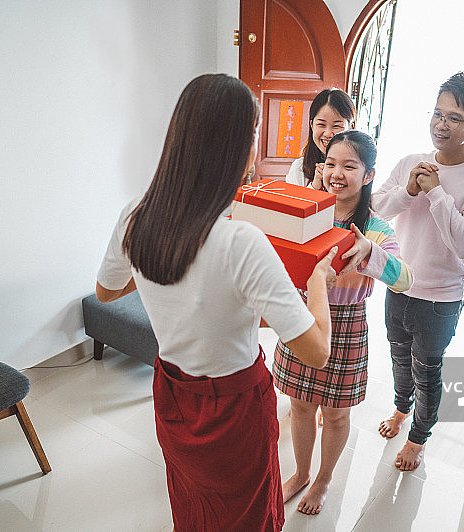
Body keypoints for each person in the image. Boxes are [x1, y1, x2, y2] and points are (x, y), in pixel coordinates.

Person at [96, 73, 338, 532]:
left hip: (171, 393)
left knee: (193, 506)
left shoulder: (136, 215)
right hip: (234, 408)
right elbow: (317, 351)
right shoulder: (240, 241)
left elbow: (108, 290)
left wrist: (161, 273)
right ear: (238, 148)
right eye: (252, 135)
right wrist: (320, 280)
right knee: (246, 517)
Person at [273, 130, 413, 515]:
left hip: (347, 323)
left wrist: (369, 252)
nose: (338, 173)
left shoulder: (375, 228)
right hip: (300, 315)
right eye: (331, 163)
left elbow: (404, 279)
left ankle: (323, 480)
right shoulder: (305, 215)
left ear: (368, 176)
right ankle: (301, 473)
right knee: (300, 406)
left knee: (335, 414)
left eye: (349, 166)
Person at [371, 72, 464, 471]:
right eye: (438, 114)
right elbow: (375, 208)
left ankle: (419, 436)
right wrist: (408, 190)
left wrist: (436, 193)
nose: (441, 125)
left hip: (440, 300)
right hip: (398, 285)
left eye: (455, 118)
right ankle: (399, 408)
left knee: (428, 372)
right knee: (398, 360)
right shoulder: (411, 163)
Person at [285, 88, 356, 190]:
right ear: (312, 125)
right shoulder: (299, 168)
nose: (327, 134)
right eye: (321, 124)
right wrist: (314, 187)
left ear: (351, 127)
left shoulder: (360, 169)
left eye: (336, 126)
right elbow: (292, 204)